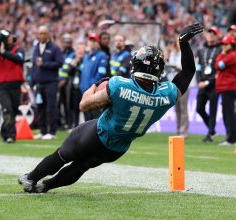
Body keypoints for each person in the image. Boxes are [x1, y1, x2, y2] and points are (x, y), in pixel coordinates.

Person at [18, 23, 204, 193]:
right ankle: (46, 186)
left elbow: (84, 105)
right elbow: (188, 72)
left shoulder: (119, 85)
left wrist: (95, 85)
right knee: (81, 166)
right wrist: (184, 43)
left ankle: (31, 178)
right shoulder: (167, 93)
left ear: (135, 64)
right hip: (119, 148)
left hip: (97, 134)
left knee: (62, 155)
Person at [0, 30, 25, 143]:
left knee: (13, 110)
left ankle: (4, 130)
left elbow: (19, 59)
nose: (10, 38)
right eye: (8, 37)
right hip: (1, 85)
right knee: (8, 109)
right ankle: (11, 135)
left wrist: (3, 52)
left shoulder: (18, 49)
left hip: (15, 84)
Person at [31, 25, 63, 140]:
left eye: (44, 33)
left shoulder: (54, 48)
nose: (42, 35)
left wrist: (44, 64)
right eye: (40, 33)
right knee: (40, 107)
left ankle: (52, 132)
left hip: (50, 82)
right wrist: (32, 81)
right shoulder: (36, 47)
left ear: (48, 34)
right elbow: (34, 66)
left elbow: (60, 63)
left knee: (51, 107)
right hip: (39, 83)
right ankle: (42, 130)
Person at [196, 26, 221, 142]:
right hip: (202, 83)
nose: (211, 35)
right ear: (205, 35)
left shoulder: (220, 49)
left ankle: (210, 133)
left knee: (213, 109)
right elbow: (198, 67)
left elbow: (218, 70)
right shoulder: (201, 50)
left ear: (217, 36)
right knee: (199, 108)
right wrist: (199, 81)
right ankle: (212, 130)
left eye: (213, 33)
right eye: (209, 33)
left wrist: (208, 82)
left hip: (214, 84)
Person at [215, 34, 236, 145]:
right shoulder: (228, 55)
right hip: (225, 87)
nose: (223, 46)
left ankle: (232, 139)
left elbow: (218, 65)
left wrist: (221, 55)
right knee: (228, 113)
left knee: (229, 113)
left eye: (226, 44)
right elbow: (217, 64)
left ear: (232, 44)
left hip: (228, 86)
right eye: (223, 44)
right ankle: (232, 137)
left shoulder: (233, 55)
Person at [80, 33, 108, 121]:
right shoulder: (86, 56)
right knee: (86, 118)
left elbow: (101, 74)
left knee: (95, 118)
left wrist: (92, 86)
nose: (91, 43)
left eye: (94, 41)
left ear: (97, 43)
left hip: (93, 91)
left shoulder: (101, 55)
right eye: (90, 40)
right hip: (84, 91)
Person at [165, 35, 189, 138]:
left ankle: (184, 131)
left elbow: (188, 69)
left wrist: (176, 67)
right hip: (174, 83)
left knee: (183, 108)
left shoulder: (187, 53)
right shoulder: (173, 53)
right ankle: (179, 130)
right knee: (177, 109)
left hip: (184, 83)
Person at [58, 33, 75, 129]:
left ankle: (70, 123)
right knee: (60, 103)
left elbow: (71, 68)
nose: (66, 43)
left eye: (68, 41)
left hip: (68, 82)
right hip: (59, 82)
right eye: (65, 41)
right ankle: (61, 123)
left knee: (68, 103)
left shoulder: (73, 53)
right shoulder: (61, 53)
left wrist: (65, 80)